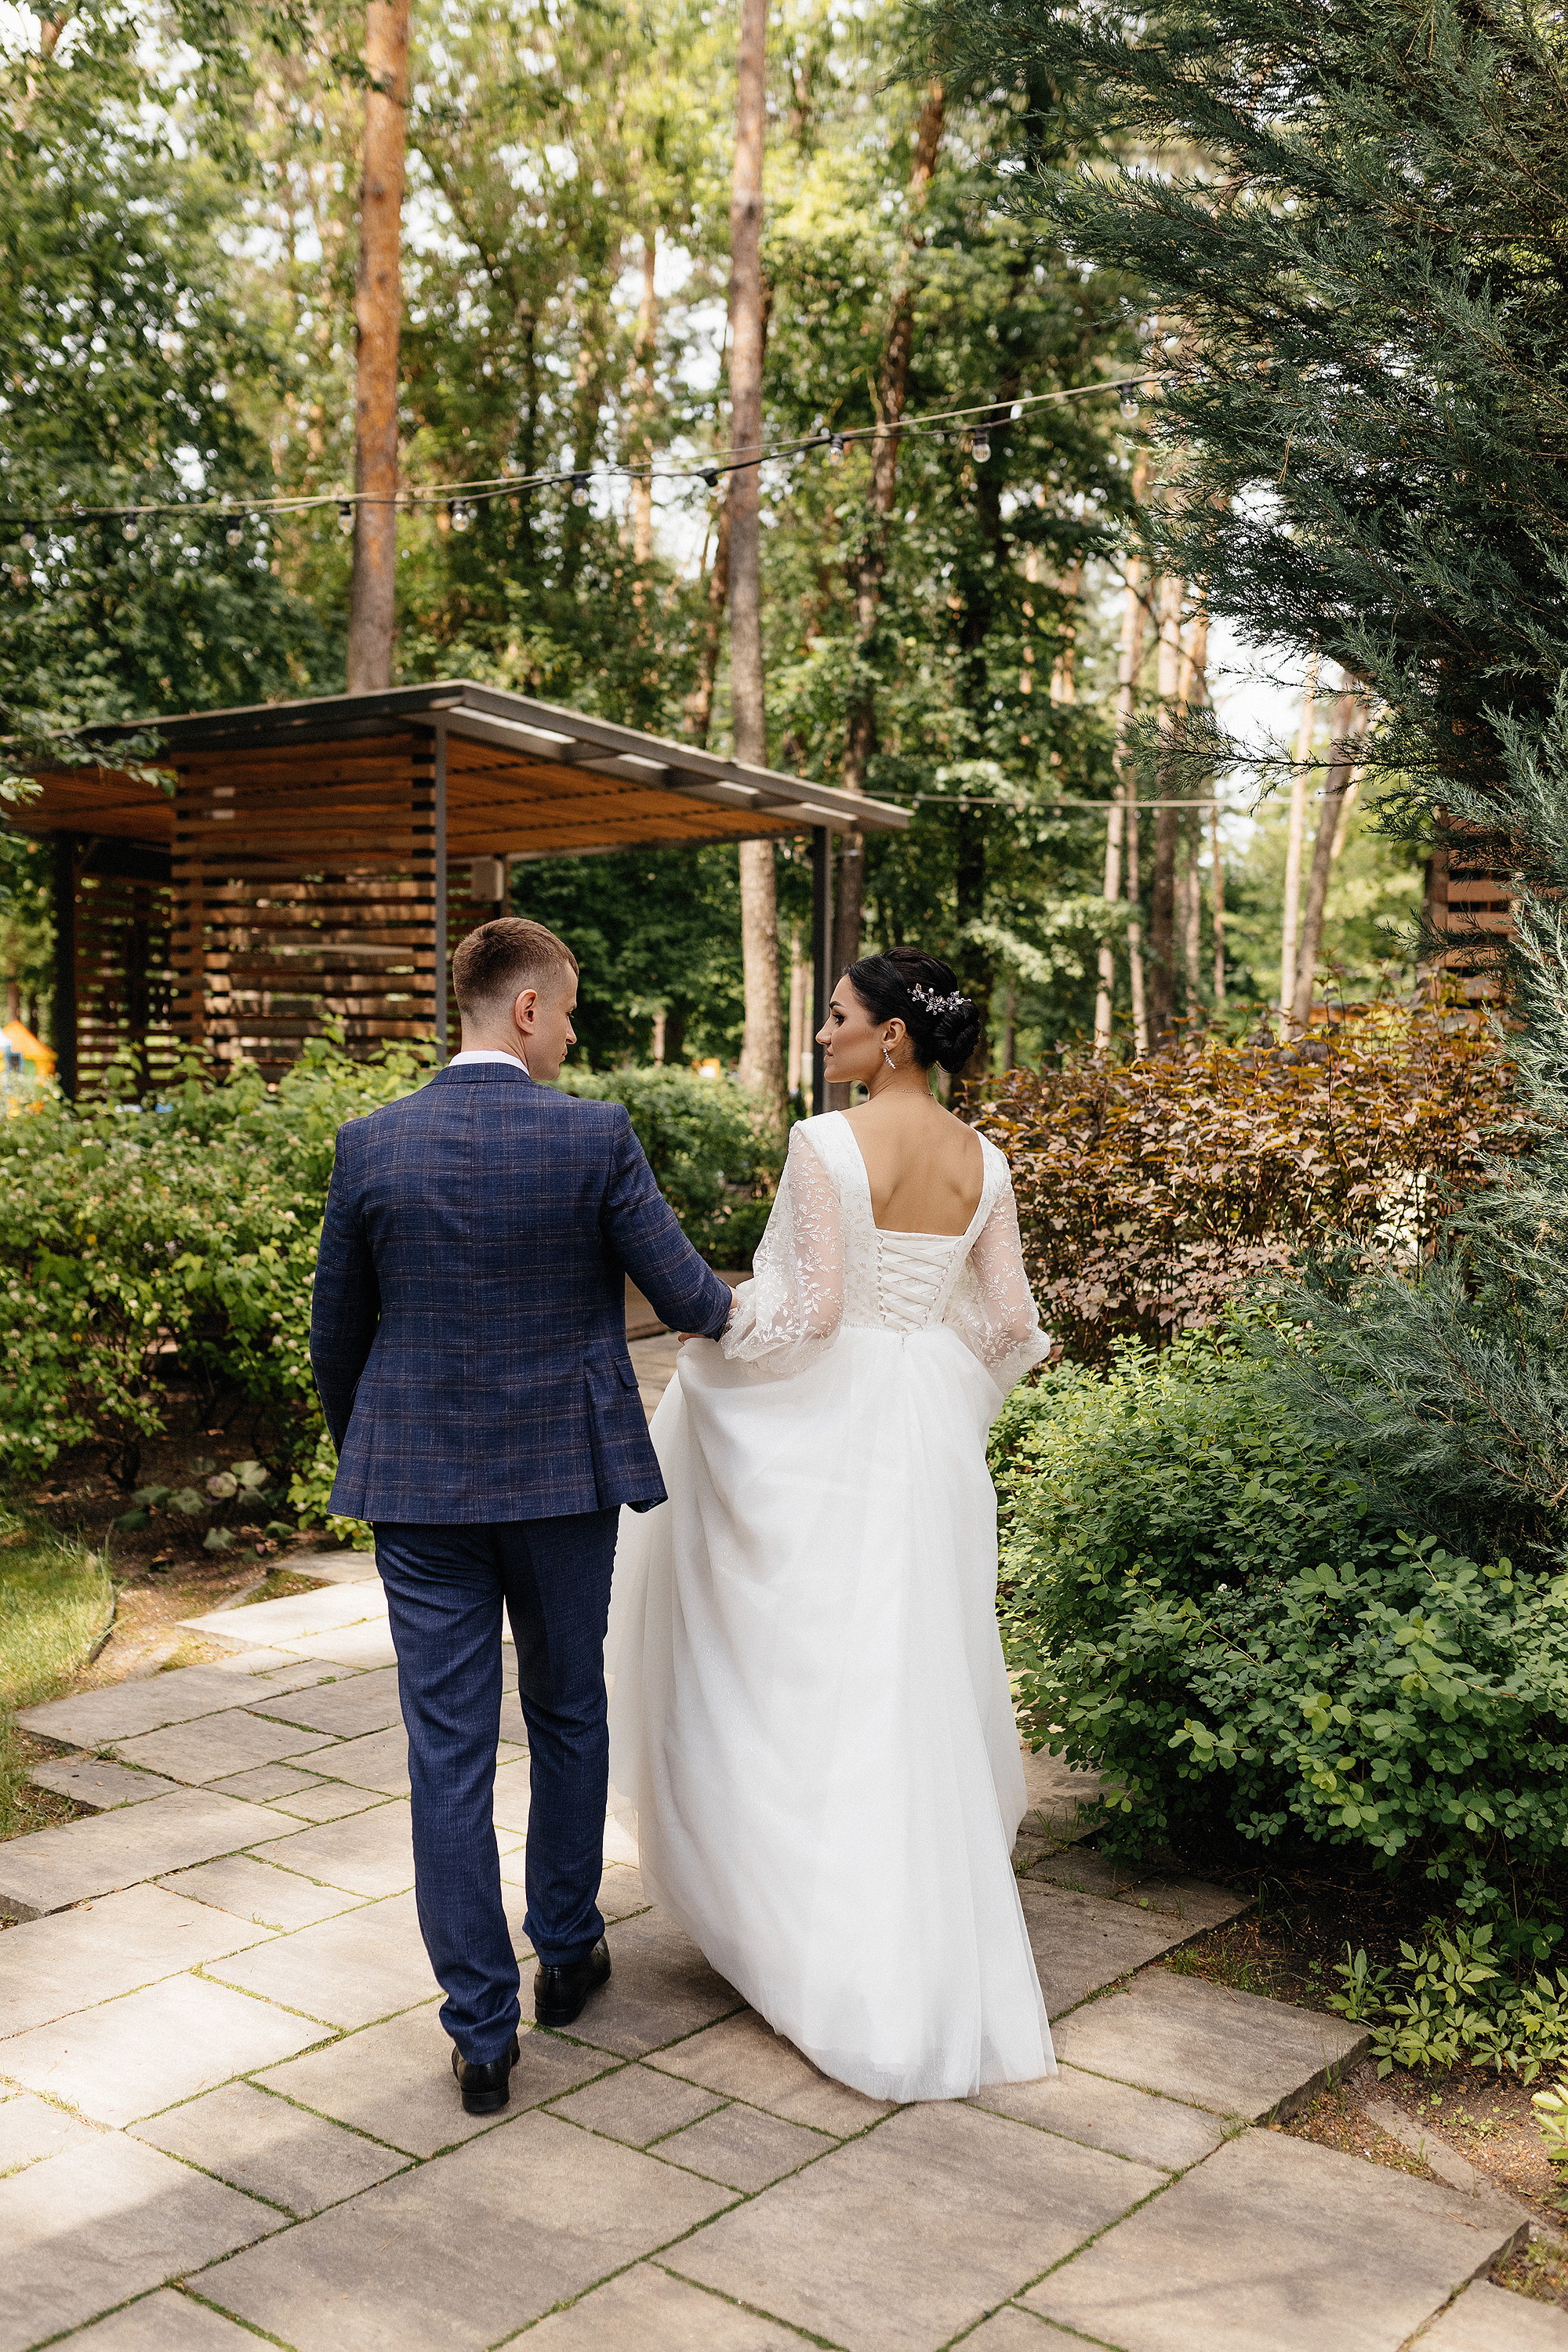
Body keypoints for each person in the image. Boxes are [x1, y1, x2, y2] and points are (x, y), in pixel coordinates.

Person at [607, 946, 1054, 2103]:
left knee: (810, 1670)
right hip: (926, 1443)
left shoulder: (825, 1143)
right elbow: (1009, 1326)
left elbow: (806, 1318)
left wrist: (712, 1329)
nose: (823, 1033)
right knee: (912, 1674)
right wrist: (933, 1383)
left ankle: (812, 1934)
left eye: (841, 1015)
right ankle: (912, 1925)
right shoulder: (987, 1161)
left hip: (832, 1433)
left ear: (893, 1036)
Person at [309, 917, 734, 2117]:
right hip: (560, 1484)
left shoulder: (371, 1144)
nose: (577, 1030)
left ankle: (481, 2035)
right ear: (530, 1010)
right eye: (574, 1006)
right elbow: (692, 1295)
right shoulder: (593, 1134)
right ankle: (568, 1948)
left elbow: (332, 1336)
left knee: (444, 1752)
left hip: (420, 1492)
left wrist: (387, 1454)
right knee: (564, 1706)